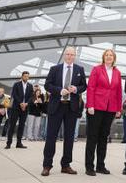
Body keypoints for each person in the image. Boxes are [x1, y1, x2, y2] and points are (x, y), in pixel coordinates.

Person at [42, 46, 87, 177]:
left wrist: (76, 89)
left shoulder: (80, 69)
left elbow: (84, 86)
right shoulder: (55, 69)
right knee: (51, 137)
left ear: (75, 55)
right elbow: (47, 85)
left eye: (72, 54)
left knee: (69, 138)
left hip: (71, 108)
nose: (69, 56)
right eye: (67, 54)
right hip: (56, 106)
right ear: (64, 55)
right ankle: (47, 165)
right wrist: (59, 90)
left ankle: (66, 165)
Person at [85, 49, 122, 176]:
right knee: (92, 137)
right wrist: (90, 104)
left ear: (114, 58)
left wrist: (118, 108)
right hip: (96, 108)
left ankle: (101, 165)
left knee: (103, 138)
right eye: (107, 55)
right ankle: (89, 166)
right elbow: (91, 87)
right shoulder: (97, 69)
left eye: (111, 55)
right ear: (103, 57)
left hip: (110, 109)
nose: (109, 57)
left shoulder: (117, 72)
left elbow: (118, 91)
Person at [6, 71, 33, 149]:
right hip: (16, 107)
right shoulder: (16, 84)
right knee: (12, 125)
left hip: (25, 108)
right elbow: (14, 94)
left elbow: (31, 96)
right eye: (25, 76)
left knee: (21, 125)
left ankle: (19, 143)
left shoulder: (30, 86)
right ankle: (9, 143)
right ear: (22, 76)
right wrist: (21, 103)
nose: (26, 78)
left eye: (27, 76)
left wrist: (26, 104)